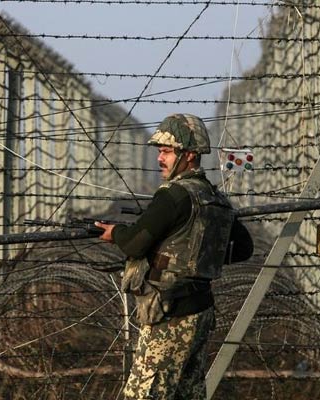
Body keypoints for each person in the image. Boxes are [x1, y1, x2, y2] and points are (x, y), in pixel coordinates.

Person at [95, 113, 235, 400]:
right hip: (200, 311)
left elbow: (134, 243)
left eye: (168, 151)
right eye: (160, 151)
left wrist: (116, 233)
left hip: (170, 314)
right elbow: (241, 247)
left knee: (144, 394)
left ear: (190, 155)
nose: (161, 158)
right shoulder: (214, 197)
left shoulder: (173, 195)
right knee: (187, 393)